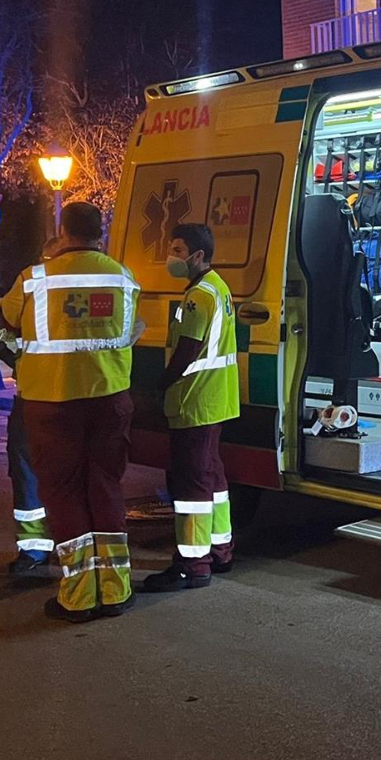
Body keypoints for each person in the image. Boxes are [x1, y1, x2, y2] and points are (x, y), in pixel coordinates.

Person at [0, 201, 142, 623]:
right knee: (106, 487)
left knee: (63, 492)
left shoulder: (34, 279)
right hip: (109, 396)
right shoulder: (123, 277)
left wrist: (20, 355)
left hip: (52, 400)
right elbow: (128, 330)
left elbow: (5, 323)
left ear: (63, 231)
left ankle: (78, 596)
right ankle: (115, 590)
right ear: (101, 232)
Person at [142, 222, 240, 592]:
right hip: (214, 399)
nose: (172, 256)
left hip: (194, 400)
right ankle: (220, 550)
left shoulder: (199, 295)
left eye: (178, 250)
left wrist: (161, 383)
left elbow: (187, 350)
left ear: (198, 256)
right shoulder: (218, 287)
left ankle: (192, 564)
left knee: (191, 484)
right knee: (212, 478)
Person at [0, 235, 62, 579]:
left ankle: (35, 549)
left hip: (35, 398)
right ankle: (60, 546)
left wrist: (14, 357)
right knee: (60, 474)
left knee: (29, 473)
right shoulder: (100, 284)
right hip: (79, 398)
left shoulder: (31, 287)